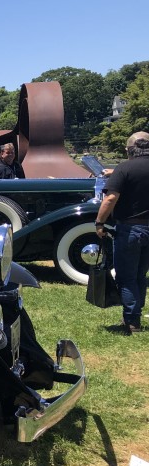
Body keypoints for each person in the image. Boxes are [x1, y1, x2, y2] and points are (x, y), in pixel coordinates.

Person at [95, 132, 149, 335]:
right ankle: (136, 312)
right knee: (140, 275)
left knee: (126, 277)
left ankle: (132, 320)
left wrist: (100, 222)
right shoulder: (123, 169)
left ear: (130, 150)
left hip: (130, 229)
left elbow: (110, 199)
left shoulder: (124, 168)